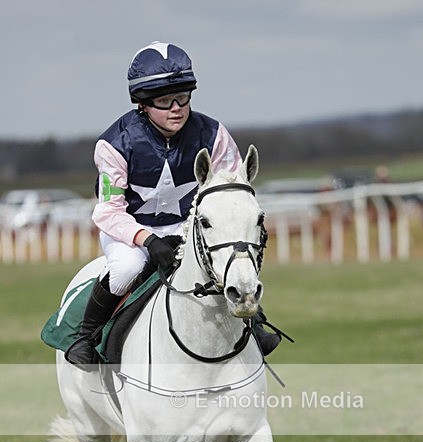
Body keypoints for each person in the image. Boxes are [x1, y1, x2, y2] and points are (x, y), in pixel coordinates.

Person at [66, 41, 280, 369]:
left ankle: (254, 322)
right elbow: (109, 211)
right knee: (127, 269)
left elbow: (231, 192)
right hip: (131, 230)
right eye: (165, 102)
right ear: (142, 103)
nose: (177, 108)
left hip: (188, 225)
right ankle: (86, 336)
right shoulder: (114, 144)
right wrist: (148, 240)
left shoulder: (214, 134)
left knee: (226, 263)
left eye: (183, 97)